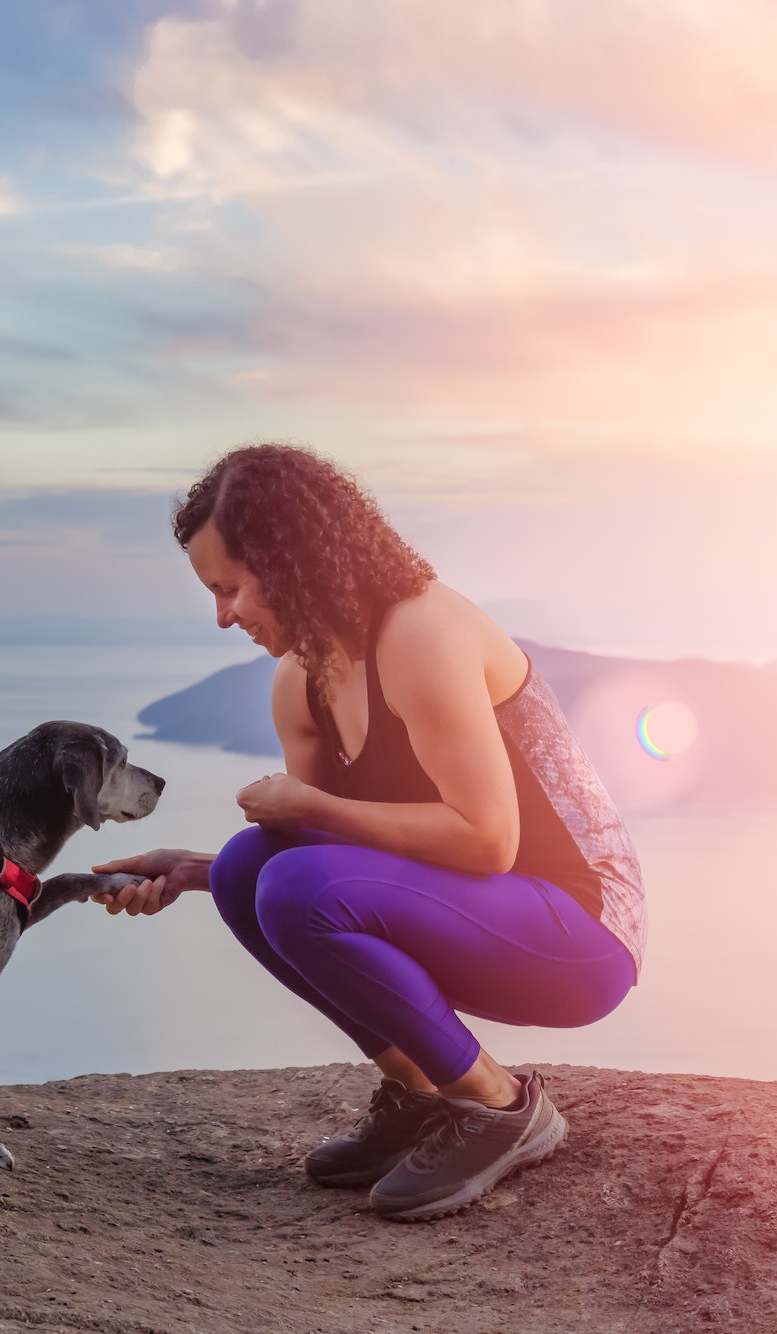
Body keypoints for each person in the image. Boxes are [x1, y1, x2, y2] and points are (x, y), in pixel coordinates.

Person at [93, 444, 645, 1221]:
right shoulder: (302, 683)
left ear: (291, 560)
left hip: (581, 933)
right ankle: (421, 1090)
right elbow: (322, 874)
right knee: (251, 868)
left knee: (280, 872)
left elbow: (487, 841)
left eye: (232, 589)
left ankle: (501, 1106)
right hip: (488, 912)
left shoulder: (422, 632)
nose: (225, 617)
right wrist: (194, 871)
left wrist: (311, 809)